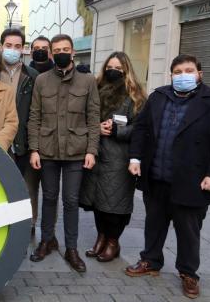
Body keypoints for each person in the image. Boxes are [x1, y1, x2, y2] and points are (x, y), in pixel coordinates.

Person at [125, 54, 210, 299]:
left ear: (199, 74)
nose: (183, 75)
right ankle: (151, 261)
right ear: (171, 75)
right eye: (177, 71)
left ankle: (188, 273)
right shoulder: (158, 97)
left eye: (188, 70)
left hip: (193, 181)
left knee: (188, 230)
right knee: (153, 224)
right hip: (156, 176)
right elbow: (141, 128)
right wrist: (135, 158)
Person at [27, 34, 100, 272]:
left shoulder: (87, 81)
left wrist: (91, 150)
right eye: (56, 49)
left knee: (70, 200)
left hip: (76, 151)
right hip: (47, 150)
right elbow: (34, 116)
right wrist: (34, 149)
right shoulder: (42, 81)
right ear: (50, 53)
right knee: (48, 198)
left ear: (73, 52)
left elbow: (93, 117)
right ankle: (47, 241)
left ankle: (71, 248)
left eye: (65, 49)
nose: (60, 52)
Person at [79, 52, 147, 263]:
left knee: (115, 204)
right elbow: (82, 117)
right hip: (96, 153)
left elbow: (141, 128)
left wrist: (118, 131)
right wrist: (95, 127)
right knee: (97, 202)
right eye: (110, 66)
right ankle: (101, 237)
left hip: (119, 157)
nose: (113, 70)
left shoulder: (135, 95)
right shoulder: (95, 89)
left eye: (118, 68)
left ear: (126, 70)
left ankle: (113, 242)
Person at [0, 29, 40, 233]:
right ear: (1, 47)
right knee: (0, 185)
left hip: (24, 139)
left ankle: (28, 226)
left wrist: (34, 145)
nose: (13, 50)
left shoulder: (33, 76)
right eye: (8, 46)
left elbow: (37, 112)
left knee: (28, 187)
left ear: (23, 49)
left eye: (17, 46)